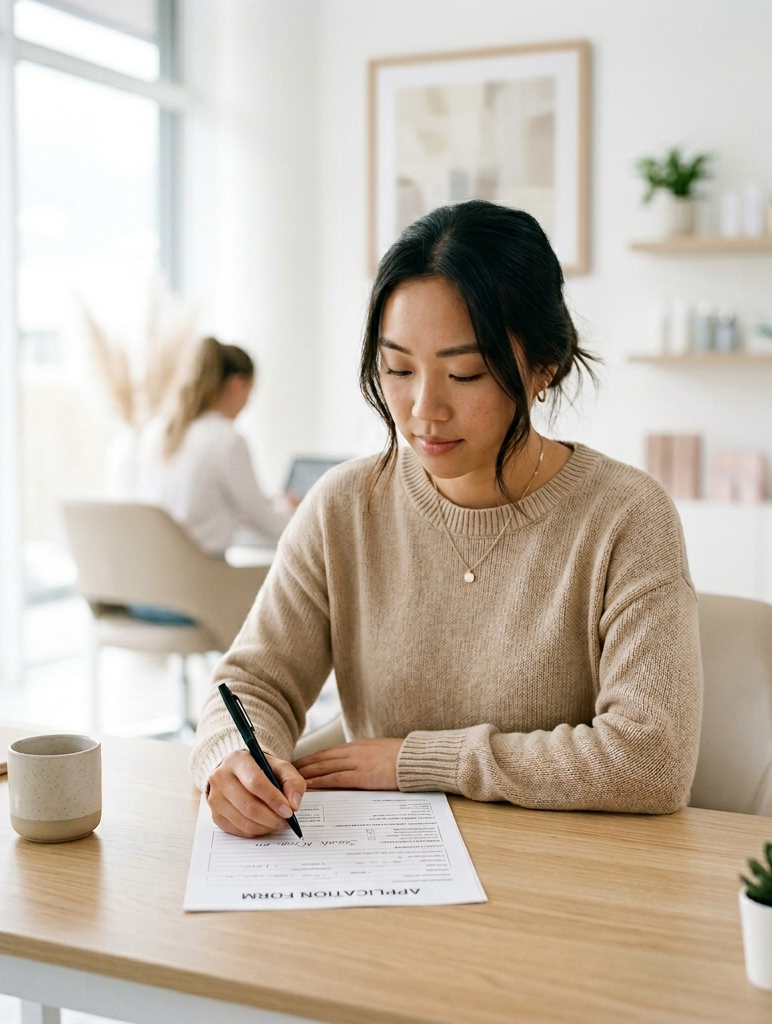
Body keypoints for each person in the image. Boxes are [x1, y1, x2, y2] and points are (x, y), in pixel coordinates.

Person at [191, 200, 703, 838]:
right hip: (384, 872)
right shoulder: (344, 506)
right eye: (398, 369)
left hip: (565, 881)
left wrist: (420, 760)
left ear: (546, 365)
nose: (423, 410)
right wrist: (232, 758)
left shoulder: (626, 516)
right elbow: (249, 684)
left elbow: (649, 759)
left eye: (464, 373)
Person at [136, 337, 292, 555]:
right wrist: (300, 516)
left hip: (158, 573)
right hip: (204, 577)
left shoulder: (156, 432)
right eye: (251, 390)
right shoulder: (227, 441)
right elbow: (270, 525)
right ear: (237, 384)